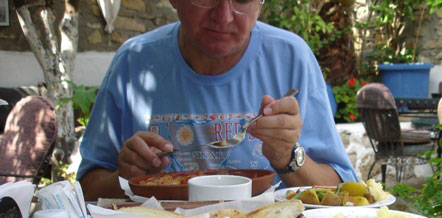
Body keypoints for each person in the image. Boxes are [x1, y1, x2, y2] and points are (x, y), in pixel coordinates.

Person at [77, 0, 358, 200]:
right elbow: (86, 190)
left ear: (260, 5)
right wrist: (126, 178)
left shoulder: (291, 57)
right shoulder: (133, 62)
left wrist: (288, 158)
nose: (223, 15)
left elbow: (342, 192)